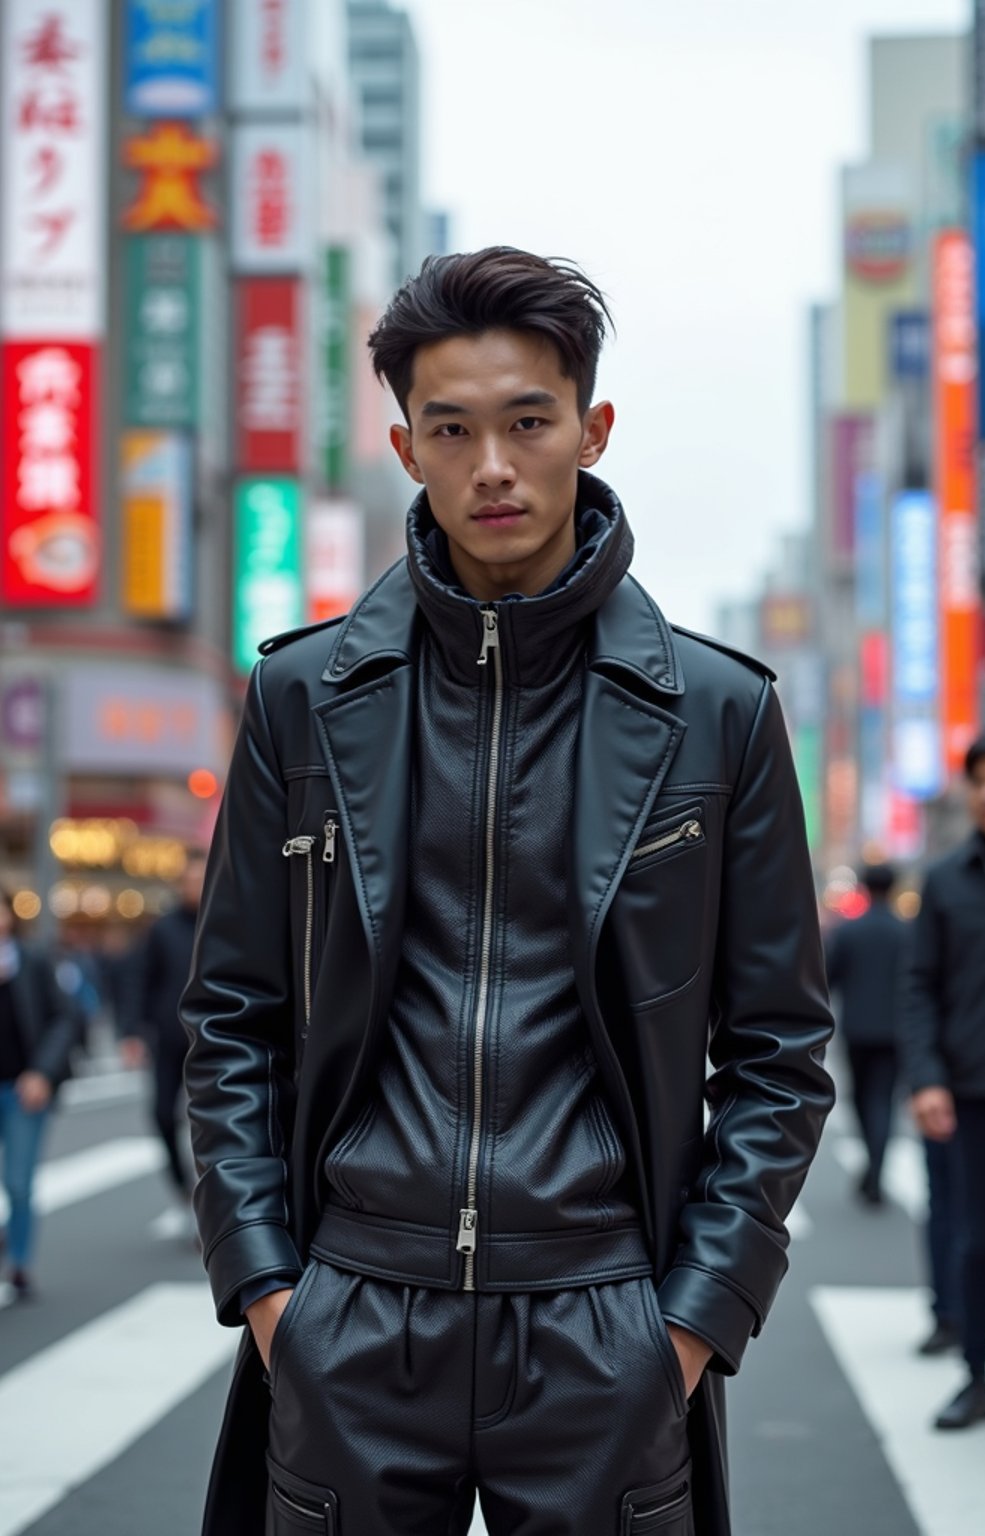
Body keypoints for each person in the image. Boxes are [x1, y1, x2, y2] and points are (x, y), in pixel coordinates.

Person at [183, 247, 835, 1536]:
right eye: (453, 428)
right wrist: (269, 1293)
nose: (493, 465)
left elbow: (778, 1052)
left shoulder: (717, 713)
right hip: (354, 1305)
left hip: (602, 1314)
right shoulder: (304, 698)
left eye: (528, 422)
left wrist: (692, 1323)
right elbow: (230, 1022)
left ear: (590, 430)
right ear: (403, 446)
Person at [903, 729, 985, 1430]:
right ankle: (976, 1376)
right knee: (974, 1241)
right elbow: (919, 987)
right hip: (973, 1094)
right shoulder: (946, 880)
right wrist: (927, 1078)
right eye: (979, 779)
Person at [0, 885, 77, 1298]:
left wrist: (42, 1073)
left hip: (22, 1089)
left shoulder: (33, 962)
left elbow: (65, 1018)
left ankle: (21, 1264)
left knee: (18, 1182)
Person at [122, 852, 205, 1210]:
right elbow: (138, 979)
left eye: (202, 880)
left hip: (214, 1040)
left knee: (211, 1122)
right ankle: (181, 1183)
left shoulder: (228, 923)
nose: (196, 887)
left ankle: (211, 1198)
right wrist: (131, 1032)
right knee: (160, 1113)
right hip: (169, 1038)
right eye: (190, 880)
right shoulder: (162, 929)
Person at [825, 862, 906, 1205]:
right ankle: (875, 1169)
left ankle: (872, 1170)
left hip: (857, 1028)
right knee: (883, 1099)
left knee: (860, 1098)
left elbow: (828, 977)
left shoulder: (848, 932)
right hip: (896, 1029)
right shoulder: (908, 932)